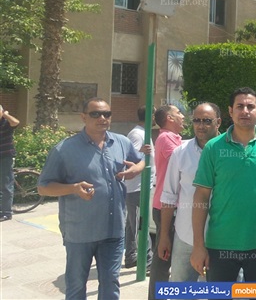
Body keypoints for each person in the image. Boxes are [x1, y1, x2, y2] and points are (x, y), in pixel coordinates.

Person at [38, 98, 145, 300]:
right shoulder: (64, 149)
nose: (102, 118)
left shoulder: (121, 142)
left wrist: (135, 170)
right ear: (83, 117)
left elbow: (141, 161)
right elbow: (43, 187)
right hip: (80, 233)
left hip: (113, 231)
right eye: (95, 114)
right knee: (77, 285)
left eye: (106, 114)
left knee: (111, 284)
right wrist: (73, 188)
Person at [191, 87, 256, 282]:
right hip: (220, 243)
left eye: (250, 106)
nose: (245, 111)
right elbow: (201, 195)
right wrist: (198, 246)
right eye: (239, 106)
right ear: (230, 111)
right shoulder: (213, 147)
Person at [157, 102, 221, 283]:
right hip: (186, 237)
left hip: (221, 239)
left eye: (207, 121)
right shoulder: (180, 153)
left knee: (221, 292)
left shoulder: (231, 153)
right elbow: (169, 196)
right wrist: (164, 236)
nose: (201, 126)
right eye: (196, 120)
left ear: (218, 122)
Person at [149, 104, 185, 298]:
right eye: (178, 113)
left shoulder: (175, 138)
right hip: (167, 207)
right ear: (170, 118)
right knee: (163, 257)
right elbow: (183, 162)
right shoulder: (166, 138)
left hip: (176, 206)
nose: (183, 116)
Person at [124, 106, 154, 270]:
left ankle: (131, 256)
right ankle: (147, 260)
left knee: (132, 223)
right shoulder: (137, 134)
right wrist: (142, 152)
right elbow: (130, 159)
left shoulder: (143, 133)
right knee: (140, 225)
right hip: (136, 187)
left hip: (141, 186)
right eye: (154, 114)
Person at [0, 104, 20, 222]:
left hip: (6, 157)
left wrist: (5, 115)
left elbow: (16, 122)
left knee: (6, 185)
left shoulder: (6, 123)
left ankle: (7, 213)